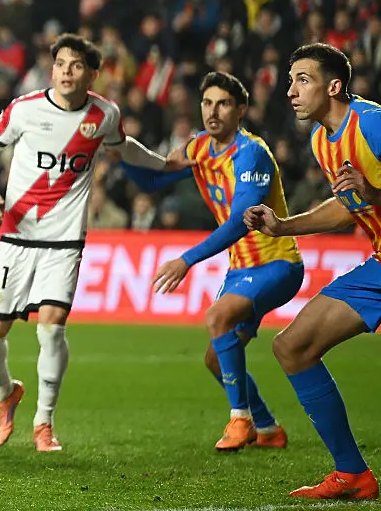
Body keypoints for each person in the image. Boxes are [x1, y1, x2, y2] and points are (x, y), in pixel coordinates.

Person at [0, 34, 180, 451]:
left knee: (51, 330)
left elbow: (126, 150)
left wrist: (167, 163)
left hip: (64, 242)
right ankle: (3, 393)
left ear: (92, 74)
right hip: (17, 236)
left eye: (75, 65)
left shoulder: (104, 114)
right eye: (60, 63)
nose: (65, 71)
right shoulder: (25, 109)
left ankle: (44, 422)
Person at [121, 72, 302, 451]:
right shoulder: (199, 146)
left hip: (276, 263)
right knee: (216, 360)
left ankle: (241, 421)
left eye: (222, 103)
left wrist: (186, 260)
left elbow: (240, 222)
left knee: (217, 317)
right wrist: (117, 147)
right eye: (206, 103)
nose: (212, 111)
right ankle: (268, 429)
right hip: (241, 268)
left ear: (241, 110)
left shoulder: (251, 152)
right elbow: (154, 179)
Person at [244, 43, 380, 500]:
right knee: (293, 346)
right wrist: (285, 226)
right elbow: (347, 208)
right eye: (291, 80)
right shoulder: (323, 139)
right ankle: (351, 474)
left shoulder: (372, 123)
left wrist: (376, 191)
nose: (291, 91)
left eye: (303, 79)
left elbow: (368, 194)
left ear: (334, 86)